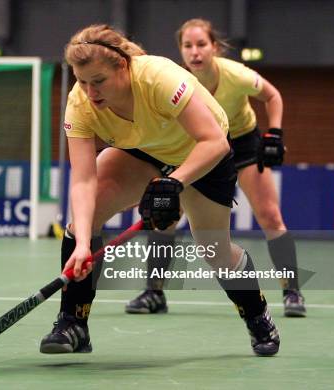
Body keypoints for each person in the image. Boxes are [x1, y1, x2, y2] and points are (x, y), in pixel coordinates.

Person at [39, 24, 279, 357]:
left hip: (201, 152)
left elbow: (215, 142)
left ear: (121, 67)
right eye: (82, 81)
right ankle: (73, 323)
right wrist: (81, 243)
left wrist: (173, 182)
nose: (91, 93)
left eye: (99, 81)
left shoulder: (158, 78)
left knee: (215, 251)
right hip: (142, 152)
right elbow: (82, 179)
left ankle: (257, 314)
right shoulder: (80, 102)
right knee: (85, 217)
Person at [126, 18, 305, 318]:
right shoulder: (175, 80)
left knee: (270, 215)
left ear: (215, 47)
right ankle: (153, 292)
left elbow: (272, 95)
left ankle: (292, 291)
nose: (195, 52)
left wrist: (274, 133)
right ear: (181, 51)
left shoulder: (235, 75)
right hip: (198, 147)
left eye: (201, 44)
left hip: (242, 145)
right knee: (166, 216)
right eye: (187, 46)